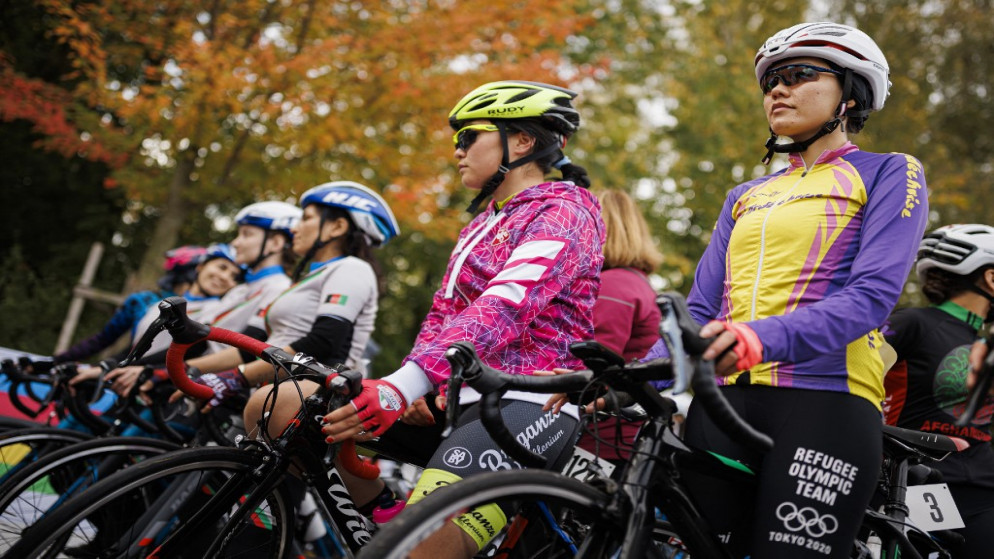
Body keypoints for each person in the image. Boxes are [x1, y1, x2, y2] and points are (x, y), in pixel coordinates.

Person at [639, 22, 928, 558]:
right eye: (770, 80)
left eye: (797, 75)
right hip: (722, 404)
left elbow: (870, 297)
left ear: (851, 90)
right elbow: (702, 307)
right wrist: (638, 375)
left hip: (825, 402)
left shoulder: (889, 171)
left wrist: (757, 339)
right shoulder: (746, 194)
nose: (777, 89)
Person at [319, 80, 605, 558]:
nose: (457, 149)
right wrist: (421, 382)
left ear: (521, 141)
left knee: (421, 545)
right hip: (454, 397)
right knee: (287, 407)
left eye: (469, 136)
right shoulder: (482, 221)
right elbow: (444, 313)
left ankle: (415, 539)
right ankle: (385, 516)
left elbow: (505, 305)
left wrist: (402, 384)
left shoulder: (566, 210)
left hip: (526, 401)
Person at [882, 224, 994, 559]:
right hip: (912, 482)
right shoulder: (911, 323)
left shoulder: (986, 345)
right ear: (991, 278)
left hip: (984, 488)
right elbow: (848, 375)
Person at [69, 243, 242, 394]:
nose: (225, 277)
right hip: (125, 383)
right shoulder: (158, 305)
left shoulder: (220, 312)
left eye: (235, 276)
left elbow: (188, 350)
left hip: (161, 391)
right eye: (222, 267)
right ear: (201, 266)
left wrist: (112, 368)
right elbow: (138, 348)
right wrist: (103, 366)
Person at [572, 188, 663, 461]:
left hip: (600, 441)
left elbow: (591, 364)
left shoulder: (614, 285)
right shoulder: (635, 283)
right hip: (618, 435)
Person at [53, 245, 205, 363]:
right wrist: (56, 361)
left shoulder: (210, 307)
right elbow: (103, 339)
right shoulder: (142, 300)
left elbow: (101, 340)